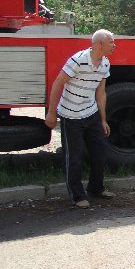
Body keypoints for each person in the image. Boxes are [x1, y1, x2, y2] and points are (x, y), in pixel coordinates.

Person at [45, 29, 116, 208]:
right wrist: (52, 112)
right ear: (100, 44)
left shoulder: (105, 63)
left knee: (100, 153)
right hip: (71, 115)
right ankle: (77, 196)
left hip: (91, 113)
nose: (114, 45)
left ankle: (96, 188)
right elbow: (58, 83)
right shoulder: (78, 60)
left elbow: (101, 93)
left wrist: (103, 120)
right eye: (111, 42)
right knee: (74, 157)